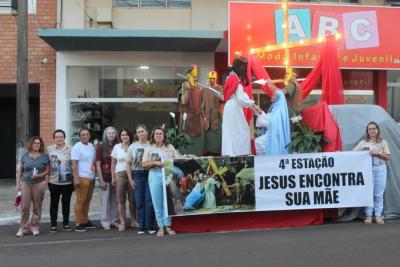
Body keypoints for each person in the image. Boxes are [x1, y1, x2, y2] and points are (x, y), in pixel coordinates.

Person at [142, 126, 179, 237]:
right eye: (156, 133)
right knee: (157, 202)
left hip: (168, 176)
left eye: (160, 133)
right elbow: (143, 164)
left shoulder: (170, 147)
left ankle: (168, 226)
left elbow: (178, 159)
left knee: (168, 201)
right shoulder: (149, 148)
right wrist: (156, 163)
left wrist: (189, 156)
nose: (158, 135)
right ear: (153, 136)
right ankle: (161, 227)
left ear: (164, 136)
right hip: (154, 176)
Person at [354, 121, 390, 224]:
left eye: (374, 128)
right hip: (368, 169)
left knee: (379, 193)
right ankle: (368, 215)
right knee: (369, 192)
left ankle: (378, 215)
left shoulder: (383, 142)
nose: (372, 131)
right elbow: (353, 154)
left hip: (380, 169)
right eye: (370, 129)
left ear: (377, 130)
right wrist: (340, 155)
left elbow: (387, 157)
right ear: (367, 131)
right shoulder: (363, 143)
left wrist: (378, 154)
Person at [222, 57, 258, 156]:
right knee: (242, 130)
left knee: (231, 131)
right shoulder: (234, 78)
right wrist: (253, 105)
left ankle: (230, 153)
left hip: (230, 106)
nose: (245, 69)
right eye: (244, 67)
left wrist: (251, 104)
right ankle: (239, 154)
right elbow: (241, 97)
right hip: (234, 106)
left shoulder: (230, 76)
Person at [15, 136, 50, 237]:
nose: (36, 145)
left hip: (39, 184)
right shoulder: (25, 156)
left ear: (41, 145)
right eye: (34, 143)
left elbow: (47, 170)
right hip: (26, 183)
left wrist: (43, 180)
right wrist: (18, 184)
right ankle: (23, 228)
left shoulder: (44, 157)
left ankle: (35, 227)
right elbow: (20, 171)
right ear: (31, 144)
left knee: (37, 207)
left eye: (38, 143)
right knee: (25, 207)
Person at [126, 124, 155, 234]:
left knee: (149, 201)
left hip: (149, 173)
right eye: (138, 132)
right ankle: (142, 226)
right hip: (137, 174)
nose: (140, 133)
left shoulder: (152, 145)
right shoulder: (132, 146)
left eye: (142, 131)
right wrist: (130, 179)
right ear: (136, 134)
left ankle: (150, 226)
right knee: (139, 201)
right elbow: (128, 164)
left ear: (147, 132)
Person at [47, 129, 74, 233]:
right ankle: (53, 224)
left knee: (66, 204)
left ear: (64, 138)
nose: (59, 138)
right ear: (54, 138)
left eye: (61, 136)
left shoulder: (70, 149)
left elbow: (74, 164)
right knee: (54, 203)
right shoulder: (48, 149)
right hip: (54, 181)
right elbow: (46, 164)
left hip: (68, 182)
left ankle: (66, 223)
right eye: (57, 137)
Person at [111, 128, 138, 231]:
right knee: (120, 200)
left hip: (132, 174)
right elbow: (113, 163)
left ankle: (133, 221)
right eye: (122, 135)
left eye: (126, 134)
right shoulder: (116, 147)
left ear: (129, 136)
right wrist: (113, 177)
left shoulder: (134, 146)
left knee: (132, 200)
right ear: (120, 137)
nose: (124, 136)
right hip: (120, 174)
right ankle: (122, 222)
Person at [71, 128, 96, 232]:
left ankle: (85, 221)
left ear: (89, 136)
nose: (85, 136)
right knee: (81, 200)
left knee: (87, 200)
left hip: (91, 177)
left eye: (87, 134)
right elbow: (74, 164)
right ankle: (78, 222)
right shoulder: (77, 147)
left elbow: (92, 161)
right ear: (79, 136)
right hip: (81, 177)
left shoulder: (91, 146)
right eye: (82, 134)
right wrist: (76, 178)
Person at [254, 90, 291, 156]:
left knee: (257, 143)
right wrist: (259, 111)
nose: (271, 96)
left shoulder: (278, 110)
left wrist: (258, 114)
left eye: (274, 95)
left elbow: (271, 123)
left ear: (278, 98)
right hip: (271, 133)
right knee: (257, 143)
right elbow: (270, 118)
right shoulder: (275, 108)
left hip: (275, 135)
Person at [96, 126, 119, 230]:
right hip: (105, 176)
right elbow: (97, 163)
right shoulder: (101, 147)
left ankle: (114, 220)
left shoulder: (118, 146)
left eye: (113, 133)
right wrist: (100, 179)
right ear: (105, 134)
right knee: (105, 200)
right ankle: (105, 221)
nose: (111, 135)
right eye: (109, 133)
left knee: (114, 200)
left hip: (116, 176)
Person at [179, 65, 204, 156]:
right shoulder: (182, 87)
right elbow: (183, 101)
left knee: (197, 150)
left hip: (197, 122)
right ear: (188, 77)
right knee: (187, 150)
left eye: (197, 77)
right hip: (187, 122)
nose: (196, 79)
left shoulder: (199, 89)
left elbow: (201, 105)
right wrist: (187, 90)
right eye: (194, 77)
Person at [202, 71, 224, 155]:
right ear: (208, 78)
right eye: (210, 78)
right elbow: (202, 105)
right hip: (207, 118)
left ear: (216, 78)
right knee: (207, 142)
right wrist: (203, 116)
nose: (212, 80)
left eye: (213, 78)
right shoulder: (204, 89)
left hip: (217, 117)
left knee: (217, 140)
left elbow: (223, 100)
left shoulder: (220, 88)